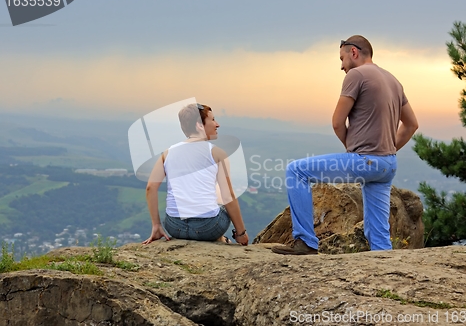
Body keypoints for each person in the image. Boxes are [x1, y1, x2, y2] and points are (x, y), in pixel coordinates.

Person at [272, 35, 419, 255]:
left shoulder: (356, 75)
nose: (341, 66)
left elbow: (337, 122)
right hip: (387, 165)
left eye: (342, 58)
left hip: (364, 161)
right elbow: (411, 125)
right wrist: (387, 150)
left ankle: (306, 242)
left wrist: (353, 148)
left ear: (354, 52)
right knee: (379, 237)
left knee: (296, 171)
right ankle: (385, 270)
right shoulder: (393, 80)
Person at [142, 103, 249, 246]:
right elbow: (227, 196)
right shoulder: (217, 153)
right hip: (209, 227)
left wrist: (156, 225)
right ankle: (221, 239)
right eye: (212, 120)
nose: (217, 125)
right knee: (220, 191)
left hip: (174, 227)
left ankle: (217, 237)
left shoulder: (167, 153)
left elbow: (150, 188)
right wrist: (241, 234)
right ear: (199, 125)